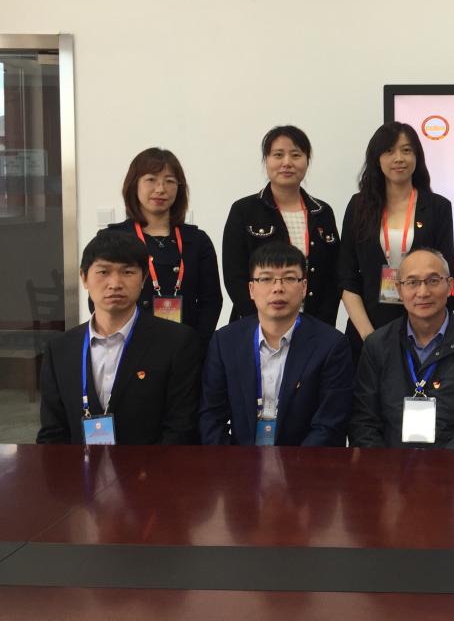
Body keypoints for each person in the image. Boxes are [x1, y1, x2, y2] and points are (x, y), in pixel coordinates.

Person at [37, 231, 203, 445]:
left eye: (127, 272)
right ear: (84, 278)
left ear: (143, 278)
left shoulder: (177, 342)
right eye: (103, 272)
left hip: (153, 465)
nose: (115, 283)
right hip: (79, 466)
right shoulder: (60, 349)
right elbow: (52, 433)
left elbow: (180, 429)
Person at [200, 243, 354, 446]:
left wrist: (291, 464)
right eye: (266, 279)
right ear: (251, 289)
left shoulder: (331, 345)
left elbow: (330, 425)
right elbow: (211, 418)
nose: (278, 288)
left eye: (289, 278)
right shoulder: (225, 342)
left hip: (304, 461)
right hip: (238, 462)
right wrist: (235, 462)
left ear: (304, 287)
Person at [349, 247, 454, 449]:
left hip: (453, 467)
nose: (423, 292)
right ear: (399, 289)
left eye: (433, 281)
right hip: (389, 466)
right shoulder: (377, 346)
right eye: (412, 282)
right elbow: (363, 423)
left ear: (450, 285)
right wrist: (388, 466)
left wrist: (439, 466)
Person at [338, 122, 454, 364]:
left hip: (426, 330)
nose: (399, 158)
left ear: (417, 157)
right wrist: (369, 338)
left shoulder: (438, 207)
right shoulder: (359, 206)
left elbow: (446, 273)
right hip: (367, 327)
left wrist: (425, 335)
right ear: (377, 158)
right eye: (389, 151)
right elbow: (347, 277)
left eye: (406, 150)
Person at [98, 148, 222, 347]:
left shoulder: (197, 240)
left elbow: (211, 301)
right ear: (134, 184)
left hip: (187, 348)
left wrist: (195, 346)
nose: (160, 189)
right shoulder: (112, 239)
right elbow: (99, 297)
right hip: (129, 346)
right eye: (151, 179)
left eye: (170, 181)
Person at [222, 125, 341, 325]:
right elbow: (235, 276)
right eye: (278, 155)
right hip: (257, 325)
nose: (287, 163)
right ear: (266, 160)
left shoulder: (322, 212)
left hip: (313, 325)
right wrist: (264, 324)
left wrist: (320, 326)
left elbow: (334, 275)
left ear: (307, 160)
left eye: (296, 155)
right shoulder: (244, 210)